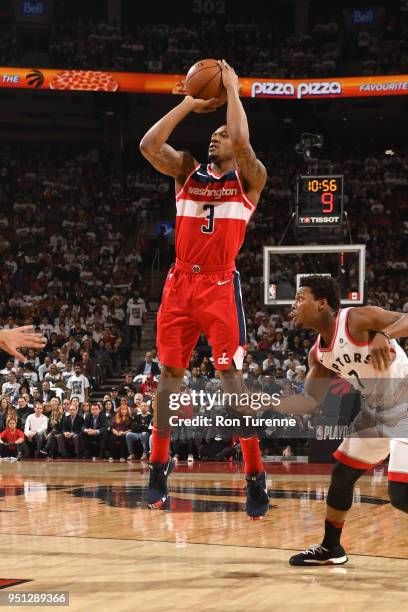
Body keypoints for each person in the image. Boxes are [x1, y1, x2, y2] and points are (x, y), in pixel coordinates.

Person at [140, 59, 268, 516]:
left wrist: (233, 90)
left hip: (218, 286)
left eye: (222, 133)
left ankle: (254, 473)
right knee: (169, 379)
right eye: (212, 132)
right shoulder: (187, 171)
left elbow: (245, 142)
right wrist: (188, 103)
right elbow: (148, 144)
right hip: (179, 282)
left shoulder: (250, 178)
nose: (214, 135)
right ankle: (158, 464)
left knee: (231, 381)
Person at [274, 275, 408, 566]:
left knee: (401, 495)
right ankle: (331, 548)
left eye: (300, 298)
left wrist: (385, 336)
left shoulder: (357, 319)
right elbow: (310, 401)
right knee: (342, 477)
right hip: (376, 413)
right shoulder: (317, 355)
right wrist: (266, 403)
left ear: (322, 303)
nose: (293, 305)